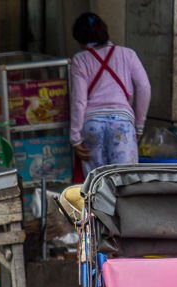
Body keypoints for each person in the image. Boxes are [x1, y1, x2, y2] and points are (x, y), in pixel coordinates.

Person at [69, 12, 151, 175]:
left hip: (92, 125)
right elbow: (144, 87)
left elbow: (79, 100)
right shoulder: (128, 54)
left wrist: (75, 137)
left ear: (79, 38)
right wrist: (139, 126)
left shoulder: (80, 60)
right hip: (122, 125)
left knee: (96, 186)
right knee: (125, 182)